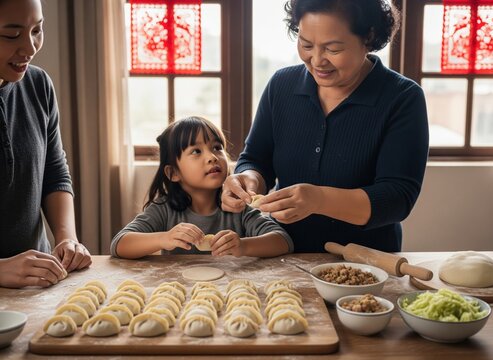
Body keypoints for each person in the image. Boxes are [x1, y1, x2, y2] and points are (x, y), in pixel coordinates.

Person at [222, 0, 429, 253]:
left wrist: (319, 200)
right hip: (281, 253)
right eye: (306, 45)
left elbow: (397, 198)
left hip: (365, 264)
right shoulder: (281, 86)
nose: (317, 60)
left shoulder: (402, 98)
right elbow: (256, 159)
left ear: (369, 36)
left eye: (333, 49)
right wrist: (248, 180)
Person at [0, 0, 91, 288]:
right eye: (11, 35)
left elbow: (53, 172)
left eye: (37, 30)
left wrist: (67, 237)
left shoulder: (38, 85)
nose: (29, 47)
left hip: (35, 283)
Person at [111, 116, 293, 259]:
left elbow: (283, 241)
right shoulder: (164, 210)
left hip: (232, 294)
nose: (212, 157)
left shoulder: (237, 206)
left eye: (216, 147)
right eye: (196, 151)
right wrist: (164, 238)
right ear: (173, 172)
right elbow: (119, 244)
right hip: (180, 296)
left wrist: (243, 246)